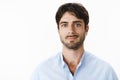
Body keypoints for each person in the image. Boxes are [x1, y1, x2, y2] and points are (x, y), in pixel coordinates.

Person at [32, 2, 118, 80]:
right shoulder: (41, 73)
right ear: (58, 30)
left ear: (86, 29)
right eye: (65, 25)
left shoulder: (105, 72)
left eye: (77, 24)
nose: (71, 30)